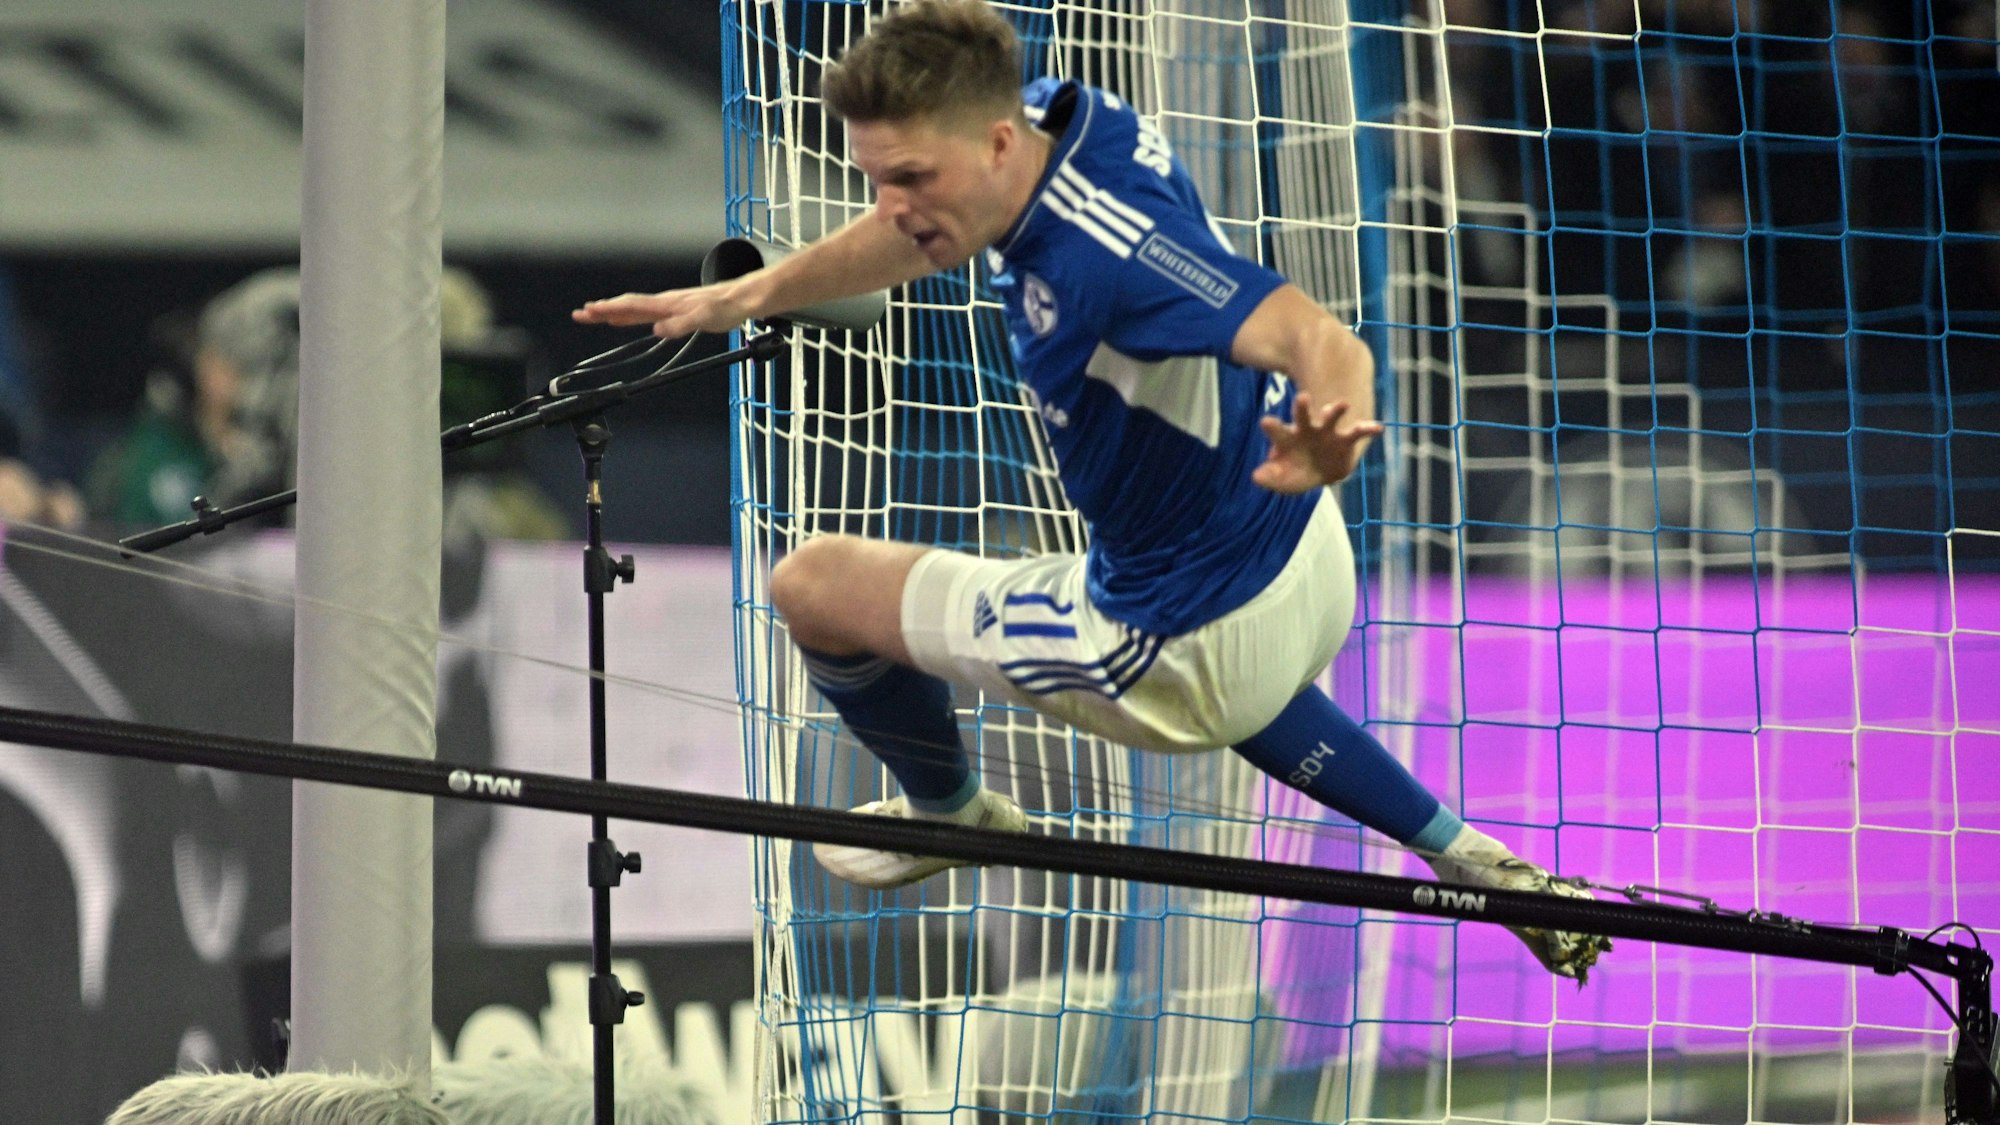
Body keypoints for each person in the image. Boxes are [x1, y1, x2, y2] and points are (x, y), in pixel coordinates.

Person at [576, 0, 1609, 981]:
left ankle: (949, 811)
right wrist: (749, 293)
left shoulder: (1106, 264)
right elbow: (906, 228)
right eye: (877, 178)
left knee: (811, 586)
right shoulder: (1068, 119)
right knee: (1234, 663)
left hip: (1175, 648)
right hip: (1297, 563)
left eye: (911, 177)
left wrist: (1334, 436)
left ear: (989, 142)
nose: (893, 206)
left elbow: (1314, 336)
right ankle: (1466, 854)